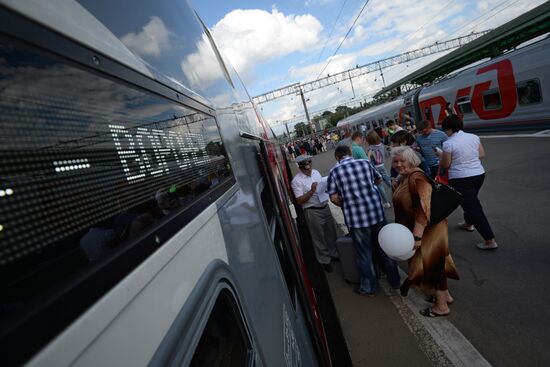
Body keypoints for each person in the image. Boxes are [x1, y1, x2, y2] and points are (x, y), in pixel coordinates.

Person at [391, 146, 459, 317]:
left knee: (434, 265)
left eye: (402, 161)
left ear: (411, 160)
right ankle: (446, 296)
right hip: (425, 228)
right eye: (395, 161)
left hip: (428, 229)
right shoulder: (406, 177)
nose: (398, 164)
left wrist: (416, 237)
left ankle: (441, 307)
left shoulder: (416, 177)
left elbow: (422, 211)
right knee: (436, 263)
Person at [327, 145, 400, 295]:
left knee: (364, 254)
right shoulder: (365, 163)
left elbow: (333, 198)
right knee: (385, 248)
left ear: (337, 158)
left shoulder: (334, 171)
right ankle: (395, 281)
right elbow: (379, 181)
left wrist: (347, 202)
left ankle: (369, 287)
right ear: (350, 153)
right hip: (376, 214)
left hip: (356, 220)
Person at [439, 115, 498, 250]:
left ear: (448, 129)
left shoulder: (448, 143)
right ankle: (468, 223)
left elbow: (446, 164)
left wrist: (441, 156)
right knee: (470, 202)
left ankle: (489, 240)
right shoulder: (473, 137)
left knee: (473, 207)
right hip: (478, 174)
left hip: (461, 178)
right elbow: (481, 154)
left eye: (445, 130)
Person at [291, 155, 339, 272]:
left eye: (309, 166)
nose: (308, 169)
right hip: (313, 211)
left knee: (331, 232)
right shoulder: (296, 181)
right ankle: (325, 260)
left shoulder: (316, 172)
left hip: (325, 206)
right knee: (318, 237)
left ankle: (334, 254)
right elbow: (299, 200)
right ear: (300, 167)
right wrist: (311, 191)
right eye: (305, 168)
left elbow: (323, 187)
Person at [366, 130, 392, 209]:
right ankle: (397, 192)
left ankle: (386, 202)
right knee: (388, 181)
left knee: (379, 185)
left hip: (375, 168)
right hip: (382, 166)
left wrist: (369, 155)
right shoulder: (381, 145)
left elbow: (369, 160)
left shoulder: (370, 148)